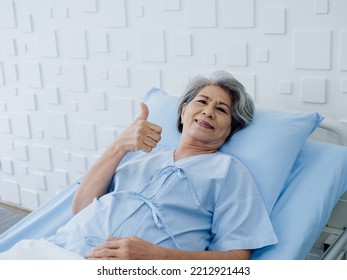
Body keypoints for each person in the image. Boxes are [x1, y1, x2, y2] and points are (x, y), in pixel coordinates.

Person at [0, 71, 278, 260]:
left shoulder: (229, 172)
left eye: (221, 110)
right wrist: (119, 146)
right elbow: (80, 208)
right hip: (55, 253)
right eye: (202, 101)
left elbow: (238, 258)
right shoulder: (141, 156)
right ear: (183, 111)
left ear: (231, 128)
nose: (208, 111)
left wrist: (158, 257)